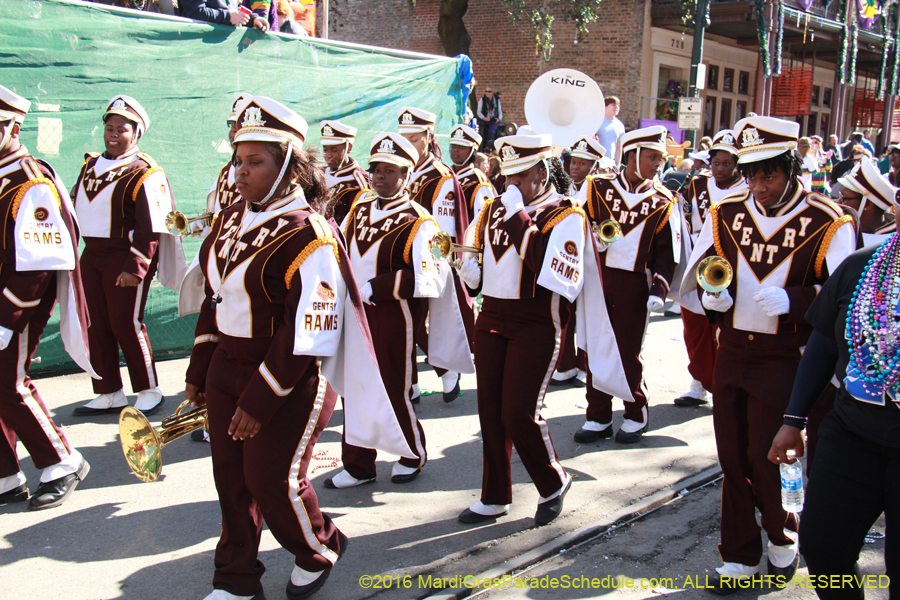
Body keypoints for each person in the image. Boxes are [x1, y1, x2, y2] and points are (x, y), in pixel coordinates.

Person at [182, 96, 410, 600]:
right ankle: (237, 581)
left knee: (271, 480)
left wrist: (260, 400)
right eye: (237, 160)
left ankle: (319, 546)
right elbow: (215, 297)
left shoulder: (312, 234)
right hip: (227, 365)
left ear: (287, 166)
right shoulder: (227, 221)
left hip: (289, 377)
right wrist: (199, 371)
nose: (240, 173)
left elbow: (308, 332)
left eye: (254, 162)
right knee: (230, 481)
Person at [681, 116, 856, 591]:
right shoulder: (727, 212)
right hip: (733, 349)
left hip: (788, 358)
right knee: (731, 456)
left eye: (769, 175)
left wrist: (799, 301)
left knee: (771, 457)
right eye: (751, 174)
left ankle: (782, 536)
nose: (758, 186)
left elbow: (846, 300)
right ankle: (738, 553)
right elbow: (705, 273)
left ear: (792, 169)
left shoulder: (828, 220)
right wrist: (712, 299)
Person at [454, 133, 593, 525]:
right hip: (492, 318)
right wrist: (470, 270)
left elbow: (549, 273)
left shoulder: (567, 215)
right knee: (489, 413)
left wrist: (517, 216)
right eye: (507, 174)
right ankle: (495, 495)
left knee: (518, 412)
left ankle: (553, 481)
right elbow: (477, 259)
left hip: (535, 322)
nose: (511, 184)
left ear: (543, 171)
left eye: (522, 175)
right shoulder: (495, 208)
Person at [324, 132, 473, 489]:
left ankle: (412, 452)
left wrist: (377, 287)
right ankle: (359, 464)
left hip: (393, 317)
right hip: (354, 312)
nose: (380, 176)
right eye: (376, 168)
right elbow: (340, 249)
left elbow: (432, 276)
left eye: (390, 170)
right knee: (354, 387)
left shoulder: (421, 221)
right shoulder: (359, 207)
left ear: (407, 175)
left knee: (393, 387)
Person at [768, 236, 900, 600]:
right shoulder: (862, 266)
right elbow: (824, 345)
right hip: (853, 434)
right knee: (824, 547)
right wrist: (793, 420)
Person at [0, 85, 94, 511]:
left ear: (14, 126)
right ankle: (6, 475)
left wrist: (6, 318)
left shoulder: (29, 181)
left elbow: (37, 265)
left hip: (14, 305)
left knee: (10, 384)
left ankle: (63, 461)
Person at [72, 96, 185, 418]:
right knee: (95, 324)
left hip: (125, 257)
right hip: (91, 256)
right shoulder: (90, 166)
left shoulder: (145, 172)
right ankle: (109, 392)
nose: (113, 134)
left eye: (121, 129)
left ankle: (149, 389)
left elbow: (150, 226)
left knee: (126, 324)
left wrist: (136, 267)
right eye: (109, 128)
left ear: (136, 133)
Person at [577, 125, 680, 444]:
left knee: (626, 351)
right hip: (597, 280)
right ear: (632, 156)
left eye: (661, 159)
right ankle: (598, 415)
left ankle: (636, 412)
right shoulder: (597, 187)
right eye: (652, 157)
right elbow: (576, 225)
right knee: (594, 346)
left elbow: (667, 252)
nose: (658, 164)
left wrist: (659, 290)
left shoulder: (664, 200)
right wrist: (590, 239)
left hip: (635, 285)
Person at [399, 106, 470, 402]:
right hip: (398, 257)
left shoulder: (441, 178)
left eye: (414, 139)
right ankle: (418, 381)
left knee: (417, 323)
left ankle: (440, 371)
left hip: (428, 260)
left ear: (429, 138)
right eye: (403, 139)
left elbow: (443, 232)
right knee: (407, 325)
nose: (408, 146)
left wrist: (427, 267)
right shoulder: (398, 168)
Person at [674, 129, 746, 408]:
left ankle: (724, 385)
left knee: (723, 328)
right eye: (716, 162)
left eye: (727, 163)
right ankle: (699, 383)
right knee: (694, 327)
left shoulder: (748, 189)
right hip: (697, 259)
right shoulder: (697, 183)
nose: (720, 168)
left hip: (730, 263)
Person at [551, 136, 607, 387]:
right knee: (565, 312)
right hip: (567, 258)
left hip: (590, 261)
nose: (575, 167)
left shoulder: (600, 189)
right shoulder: (565, 187)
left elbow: (606, 229)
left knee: (587, 314)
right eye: (574, 162)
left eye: (583, 164)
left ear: (594, 166)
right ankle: (564, 365)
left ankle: (586, 365)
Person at [836, 157, 898, 247]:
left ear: (868, 204)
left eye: (844, 197)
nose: (838, 202)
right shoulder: (844, 230)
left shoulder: (890, 243)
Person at [320, 120, 368, 223]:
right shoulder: (320, 172)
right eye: (325, 149)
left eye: (334, 150)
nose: (328, 155)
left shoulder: (360, 181)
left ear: (349, 148)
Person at [448, 124, 495, 222]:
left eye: (462, 146)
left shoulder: (478, 181)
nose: (456, 149)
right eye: (453, 145)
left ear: (473, 151)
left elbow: (482, 221)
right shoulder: (445, 174)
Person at [595, 96, 626, 167]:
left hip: (611, 164)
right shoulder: (597, 122)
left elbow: (619, 147)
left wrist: (617, 165)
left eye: (618, 105)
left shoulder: (620, 125)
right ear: (605, 106)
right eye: (613, 105)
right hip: (597, 162)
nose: (616, 107)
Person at [181, 0, 250, 27]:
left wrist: (253, 19)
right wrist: (228, 16)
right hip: (200, 48)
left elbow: (230, 9)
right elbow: (196, 12)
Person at [476, 87, 502, 151]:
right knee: (483, 132)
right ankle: (483, 147)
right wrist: (483, 117)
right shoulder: (482, 100)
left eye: (489, 91)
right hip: (485, 120)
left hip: (494, 120)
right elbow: (478, 112)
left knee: (491, 131)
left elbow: (500, 111)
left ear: (492, 92)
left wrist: (498, 119)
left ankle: (490, 146)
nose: (487, 93)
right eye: (486, 91)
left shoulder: (496, 100)